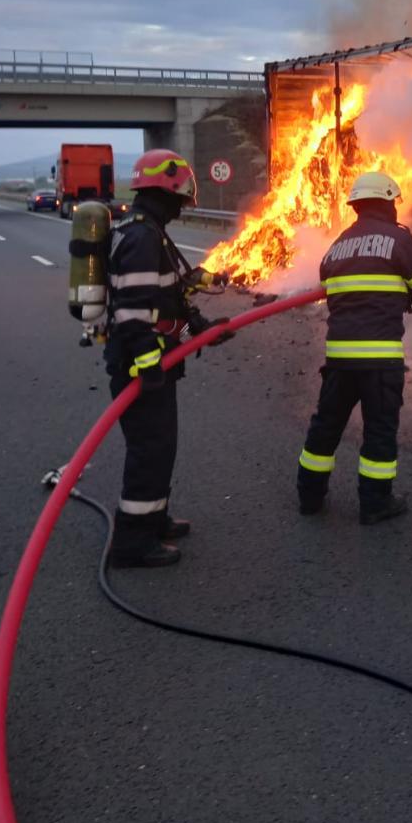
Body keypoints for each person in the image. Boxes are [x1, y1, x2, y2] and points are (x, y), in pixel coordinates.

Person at [104, 149, 230, 567]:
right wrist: (145, 361)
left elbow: (172, 301)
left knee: (161, 446)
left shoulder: (150, 231)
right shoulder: (142, 236)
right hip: (142, 364)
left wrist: (203, 332)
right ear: (165, 191)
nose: (182, 206)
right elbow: (133, 307)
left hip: (158, 359)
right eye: (180, 198)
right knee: (149, 449)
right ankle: (131, 543)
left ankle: (153, 519)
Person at [297, 171, 412, 524]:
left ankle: (309, 496)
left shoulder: (339, 245)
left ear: (357, 206)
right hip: (379, 360)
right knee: (379, 430)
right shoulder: (397, 239)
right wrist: (402, 288)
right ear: (389, 202)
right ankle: (375, 503)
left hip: (339, 358)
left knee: (326, 425)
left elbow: (330, 282)